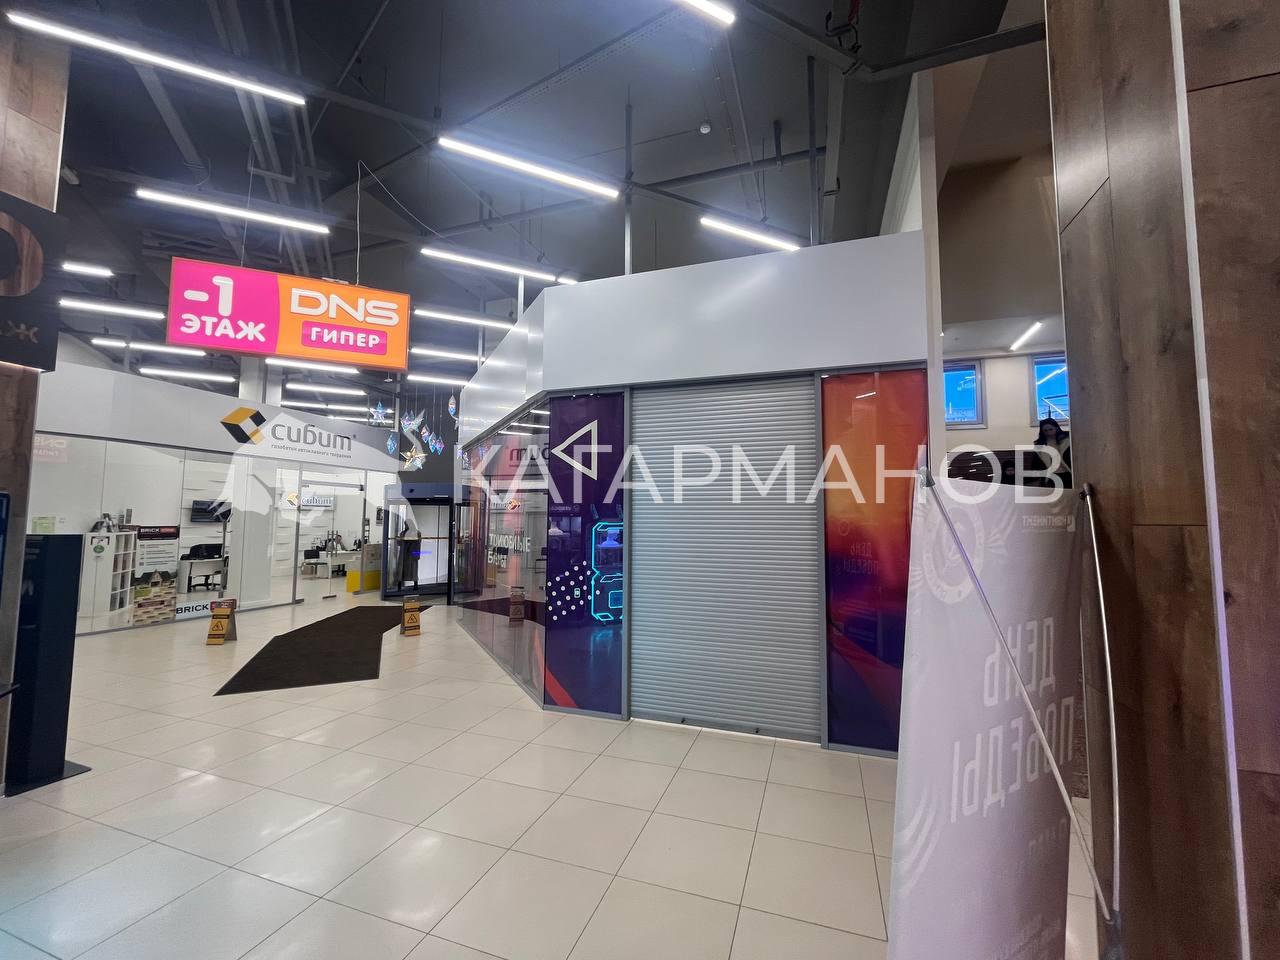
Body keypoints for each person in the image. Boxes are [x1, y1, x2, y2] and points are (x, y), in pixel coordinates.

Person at [1027, 417, 1072, 488]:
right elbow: (1037, 463)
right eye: (1045, 430)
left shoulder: (1067, 440)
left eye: (1051, 429)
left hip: (1067, 473)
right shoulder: (1040, 444)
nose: (1048, 432)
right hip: (1051, 475)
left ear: (1056, 428)